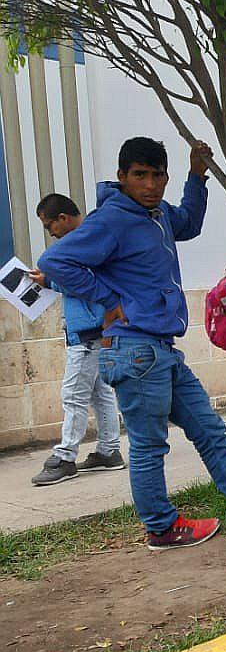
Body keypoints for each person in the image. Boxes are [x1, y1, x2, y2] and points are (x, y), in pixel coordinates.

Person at [38, 137, 226, 550]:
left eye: (157, 176)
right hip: (134, 349)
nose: (150, 184)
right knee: (150, 445)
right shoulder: (111, 219)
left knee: (208, 428)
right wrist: (109, 301)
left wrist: (196, 177)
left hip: (161, 349)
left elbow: (189, 222)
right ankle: (161, 527)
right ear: (122, 177)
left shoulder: (158, 213)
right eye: (140, 175)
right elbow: (54, 262)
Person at [27, 194, 125, 486]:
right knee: (100, 393)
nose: (51, 234)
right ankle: (109, 452)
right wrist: (50, 280)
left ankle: (66, 456)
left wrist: (50, 281)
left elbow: (86, 283)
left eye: (49, 226)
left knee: (73, 395)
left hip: (89, 333)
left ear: (63, 219)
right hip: (93, 330)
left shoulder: (83, 243)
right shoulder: (91, 240)